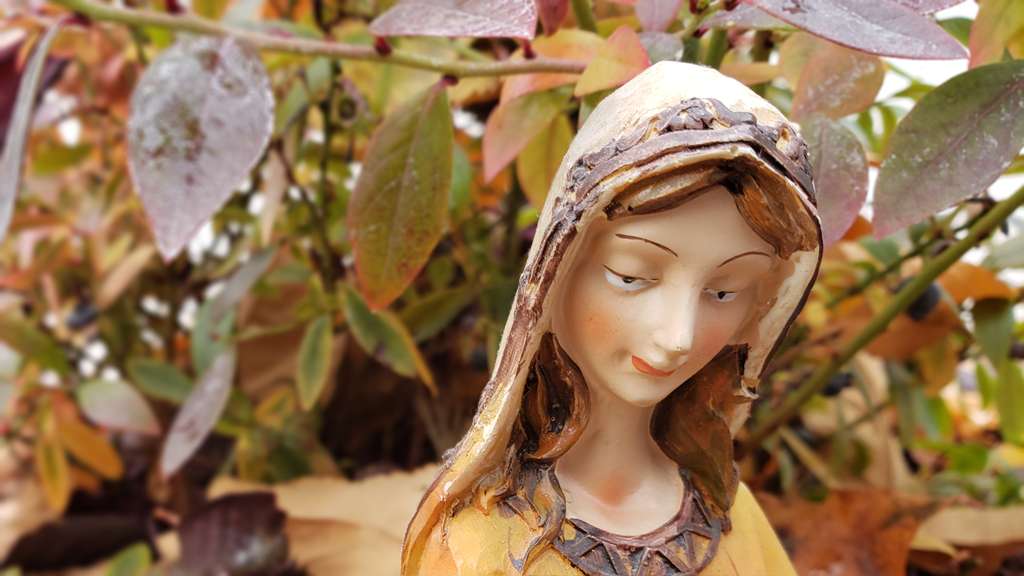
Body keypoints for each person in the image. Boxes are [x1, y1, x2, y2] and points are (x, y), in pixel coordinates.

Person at [402, 61, 822, 576]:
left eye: (723, 291)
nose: (678, 336)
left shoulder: (733, 518)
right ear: (557, 275)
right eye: (630, 276)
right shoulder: (480, 544)